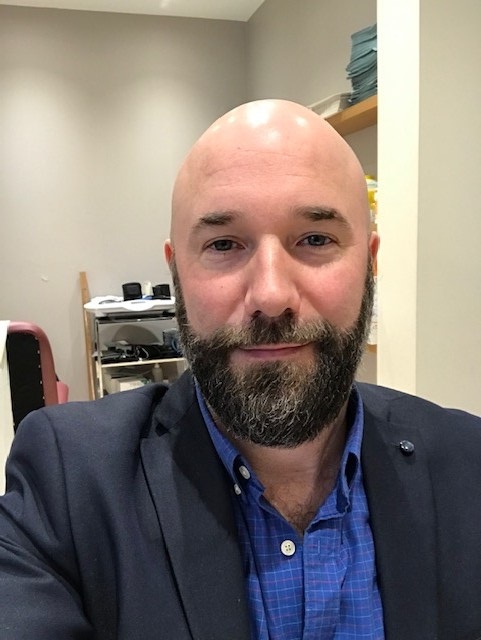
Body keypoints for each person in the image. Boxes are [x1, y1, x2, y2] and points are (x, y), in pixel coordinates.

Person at [1, 99, 481, 640]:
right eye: (224, 244)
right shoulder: (68, 480)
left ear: (369, 264)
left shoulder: (468, 463)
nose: (271, 296)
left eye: (315, 239)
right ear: (177, 273)